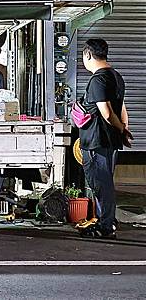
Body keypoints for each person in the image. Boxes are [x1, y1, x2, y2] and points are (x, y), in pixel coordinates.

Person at [79, 38, 131, 239]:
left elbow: (107, 112)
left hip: (97, 140)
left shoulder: (98, 79)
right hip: (110, 141)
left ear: (88, 55)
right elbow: (122, 108)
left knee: (101, 184)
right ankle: (107, 221)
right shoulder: (116, 76)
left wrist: (121, 128)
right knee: (105, 182)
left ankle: (105, 226)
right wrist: (123, 129)